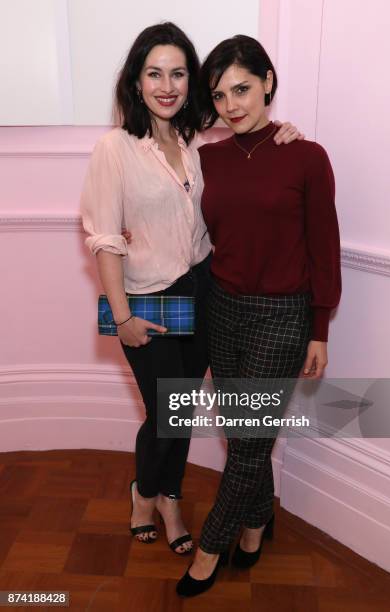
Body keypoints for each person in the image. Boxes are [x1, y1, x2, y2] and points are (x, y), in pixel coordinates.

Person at [81, 23, 303, 556]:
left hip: (201, 290)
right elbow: (105, 239)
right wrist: (124, 315)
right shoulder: (115, 148)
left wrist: (284, 133)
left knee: (180, 410)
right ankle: (146, 495)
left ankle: (168, 496)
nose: (167, 84)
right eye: (154, 73)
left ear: (190, 82)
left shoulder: (194, 141)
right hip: (145, 298)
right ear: (136, 81)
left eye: (178, 73)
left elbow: (241, 170)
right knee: (166, 412)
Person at [176, 35, 341, 596]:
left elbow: (324, 246)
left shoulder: (307, 156)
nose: (232, 106)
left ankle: (208, 547)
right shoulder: (208, 158)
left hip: (283, 315)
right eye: (219, 96)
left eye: (242, 89)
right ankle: (255, 520)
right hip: (223, 308)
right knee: (244, 434)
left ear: (268, 81)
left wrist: (320, 327)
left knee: (247, 440)